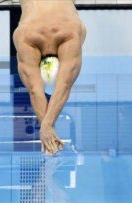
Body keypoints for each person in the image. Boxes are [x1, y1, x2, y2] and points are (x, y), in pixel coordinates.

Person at [13, 0, 86, 155]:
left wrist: (46, 126)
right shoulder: (70, 34)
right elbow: (64, 85)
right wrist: (47, 125)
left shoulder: (25, 38)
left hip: (31, 28)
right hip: (65, 25)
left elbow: (34, 90)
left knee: (34, 86)